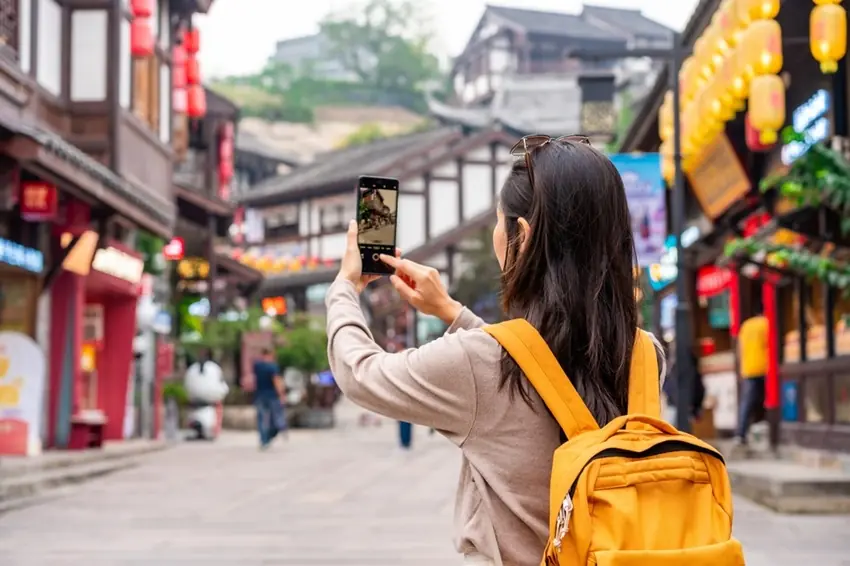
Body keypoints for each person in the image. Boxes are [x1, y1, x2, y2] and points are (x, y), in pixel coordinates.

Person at [326, 135, 665, 566]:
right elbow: (541, 373)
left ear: (521, 237)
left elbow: (362, 374)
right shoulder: (645, 356)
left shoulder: (479, 364)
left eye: (499, 222)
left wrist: (344, 288)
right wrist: (453, 312)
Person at [736, 305, 769, 445]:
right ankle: (767, 430)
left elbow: (739, 348)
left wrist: (741, 369)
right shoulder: (767, 323)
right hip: (765, 367)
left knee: (747, 403)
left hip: (748, 368)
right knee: (767, 401)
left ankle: (741, 434)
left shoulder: (745, 326)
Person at [253, 348, 286, 449]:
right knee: (274, 418)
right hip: (272, 396)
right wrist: (282, 395)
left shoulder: (257, 366)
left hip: (260, 395)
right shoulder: (272, 367)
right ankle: (270, 435)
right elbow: (276, 382)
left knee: (261, 419)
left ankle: (264, 439)